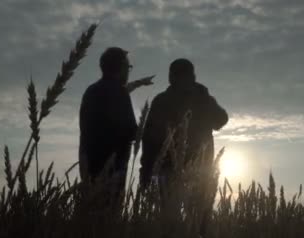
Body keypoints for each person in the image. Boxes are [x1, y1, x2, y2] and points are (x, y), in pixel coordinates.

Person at [140, 58, 228, 197]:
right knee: (197, 214)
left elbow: (149, 140)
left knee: (168, 213)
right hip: (199, 169)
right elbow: (221, 120)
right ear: (192, 77)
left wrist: (146, 171)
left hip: (169, 169)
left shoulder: (162, 100)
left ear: (172, 77)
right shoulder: (202, 99)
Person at [78, 47, 153, 205]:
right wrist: (155, 133)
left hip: (89, 164)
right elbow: (130, 130)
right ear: (120, 68)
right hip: (112, 170)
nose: (129, 71)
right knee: (108, 217)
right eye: (128, 67)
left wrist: (139, 83)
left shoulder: (92, 91)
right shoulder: (119, 93)